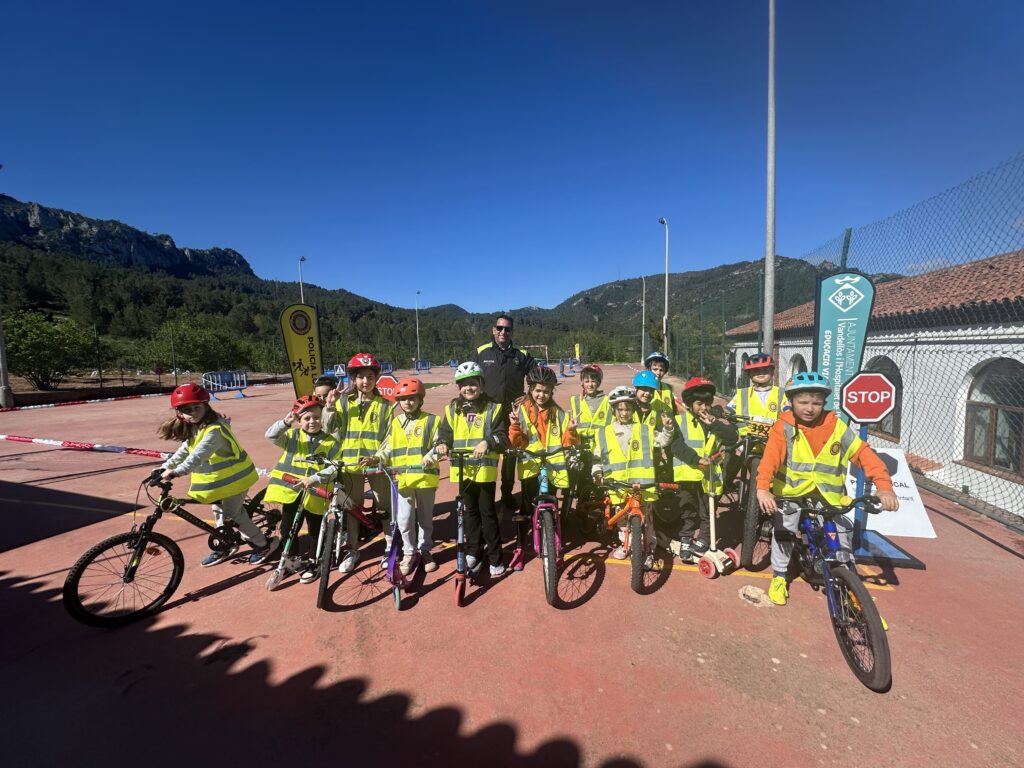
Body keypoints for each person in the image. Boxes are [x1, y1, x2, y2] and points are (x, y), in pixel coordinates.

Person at [755, 372, 899, 606]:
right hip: (791, 492)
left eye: (817, 402)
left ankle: (850, 585)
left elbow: (863, 454)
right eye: (803, 402)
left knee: (841, 536)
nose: (810, 408)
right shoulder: (784, 427)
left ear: (824, 403)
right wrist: (763, 488)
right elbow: (770, 459)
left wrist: (884, 487)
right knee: (784, 530)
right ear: (791, 402)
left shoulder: (837, 427)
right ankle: (779, 576)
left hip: (828, 494)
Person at [156, 383, 279, 566]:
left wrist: (176, 472)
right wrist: (163, 467)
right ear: (179, 413)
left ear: (206, 406)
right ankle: (226, 542)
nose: (193, 413)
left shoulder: (215, 431)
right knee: (218, 511)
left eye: (197, 407)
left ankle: (264, 544)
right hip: (220, 482)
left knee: (234, 515)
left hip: (237, 479)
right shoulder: (196, 427)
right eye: (187, 410)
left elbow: (198, 455)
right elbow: (185, 450)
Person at [434, 361, 509, 578]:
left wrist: (487, 442)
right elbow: (445, 434)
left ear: (481, 385)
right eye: (464, 384)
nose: (469, 388)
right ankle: (473, 550)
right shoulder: (452, 410)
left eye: (473, 384)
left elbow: (502, 436)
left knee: (487, 514)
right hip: (463, 470)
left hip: (484, 471)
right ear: (459, 388)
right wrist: (442, 443)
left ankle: (495, 557)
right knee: (469, 514)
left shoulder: (493, 408)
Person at [591, 386, 676, 568]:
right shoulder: (604, 433)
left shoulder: (644, 429)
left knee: (646, 521)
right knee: (622, 520)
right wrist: (597, 472)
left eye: (628, 409)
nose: (624, 413)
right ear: (614, 410)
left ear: (633, 409)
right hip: (618, 485)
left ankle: (648, 550)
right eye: (620, 409)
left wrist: (668, 428)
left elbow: (662, 440)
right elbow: (598, 457)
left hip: (642, 484)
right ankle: (626, 544)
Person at [323, 353, 392, 573]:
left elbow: (390, 438)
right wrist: (330, 406)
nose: (365, 381)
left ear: (376, 378)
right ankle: (353, 550)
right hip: (350, 466)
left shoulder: (385, 405)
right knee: (352, 510)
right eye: (361, 377)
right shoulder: (343, 403)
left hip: (376, 465)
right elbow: (327, 428)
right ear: (353, 379)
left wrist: (378, 457)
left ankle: (389, 547)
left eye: (370, 377)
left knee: (384, 507)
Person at [507, 365, 580, 571]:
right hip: (531, 465)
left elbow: (567, 442)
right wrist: (514, 425)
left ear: (552, 391)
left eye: (546, 391)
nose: (542, 395)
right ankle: (520, 547)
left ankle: (555, 544)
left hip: (553, 465)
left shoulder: (559, 414)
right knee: (526, 507)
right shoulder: (521, 411)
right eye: (538, 390)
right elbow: (517, 442)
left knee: (552, 506)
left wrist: (571, 431)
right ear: (530, 389)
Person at [264, 395, 343, 583]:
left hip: (316, 494)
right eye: (307, 418)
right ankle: (291, 560)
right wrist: (285, 423)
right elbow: (270, 436)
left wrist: (315, 478)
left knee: (316, 530)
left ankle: (315, 562)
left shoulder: (331, 442)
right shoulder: (292, 436)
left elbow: (335, 467)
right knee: (287, 529)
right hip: (292, 492)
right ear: (299, 421)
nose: (312, 422)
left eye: (316, 417)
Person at [367, 377, 441, 574]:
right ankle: (409, 552)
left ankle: (425, 550)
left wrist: (431, 457)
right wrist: (377, 458)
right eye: (403, 399)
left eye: (412, 398)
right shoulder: (396, 422)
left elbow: (439, 445)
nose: (407, 402)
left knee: (425, 519)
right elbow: (388, 447)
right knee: (405, 519)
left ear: (420, 399)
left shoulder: (432, 420)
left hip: (425, 478)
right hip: (402, 479)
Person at [667, 377, 739, 560]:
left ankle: (704, 539)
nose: (703, 408)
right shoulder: (679, 421)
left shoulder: (714, 422)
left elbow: (732, 438)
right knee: (688, 509)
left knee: (707, 510)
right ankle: (686, 537)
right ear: (690, 403)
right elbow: (676, 445)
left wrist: (714, 423)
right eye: (699, 404)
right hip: (688, 474)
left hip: (710, 476)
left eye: (707, 403)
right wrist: (696, 460)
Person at [470, 314, 536, 510]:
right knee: (485, 451)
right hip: (486, 413)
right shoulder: (481, 352)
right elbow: (469, 379)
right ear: (493, 330)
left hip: (511, 414)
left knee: (510, 456)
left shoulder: (521, 355)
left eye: (507, 329)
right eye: (499, 328)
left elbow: (538, 378)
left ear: (512, 332)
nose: (503, 332)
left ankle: (506, 493)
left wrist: (528, 396)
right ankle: (483, 495)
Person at [724, 353, 785, 488]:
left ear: (772, 371)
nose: (761, 373)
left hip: (773, 440)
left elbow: (788, 409)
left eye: (765, 370)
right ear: (749, 374)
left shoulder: (782, 393)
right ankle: (726, 482)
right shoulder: (742, 394)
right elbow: (729, 409)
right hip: (746, 440)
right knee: (732, 457)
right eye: (756, 371)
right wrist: (723, 413)